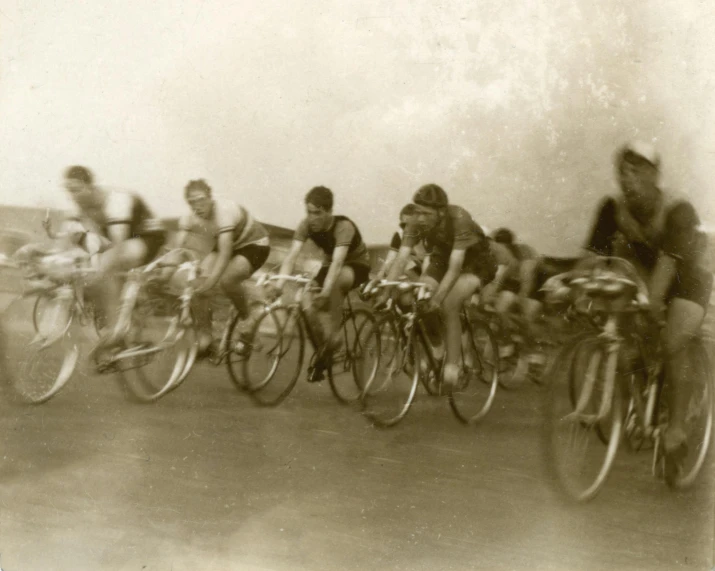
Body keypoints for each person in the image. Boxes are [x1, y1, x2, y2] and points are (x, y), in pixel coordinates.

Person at [584, 140, 712, 482]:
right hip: (648, 271)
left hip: (690, 278)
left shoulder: (677, 210)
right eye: (622, 171)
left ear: (655, 175)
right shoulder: (612, 208)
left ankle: (676, 429)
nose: (627, 179)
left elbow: (668, 270)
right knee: (626, 328)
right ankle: (643, 392)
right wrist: (582, 291)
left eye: (636, 171)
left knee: (672, 342)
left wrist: (649, 305)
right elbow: (594, 260)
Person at [385, 184, 497, 391]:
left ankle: (453, 365)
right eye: (417, 212)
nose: (420, 218)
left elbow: (455, 268)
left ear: (442, 211)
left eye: (426, 214)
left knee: (448, 301)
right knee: (422, 297)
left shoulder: (460, 218)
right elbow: (401, 258)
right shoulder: (415, 222)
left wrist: (438, 299)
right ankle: (437, 348)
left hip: (476, 263)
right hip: (442, 258)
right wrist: (385, 293)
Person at [56, 166, 167, 347]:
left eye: (76, 189)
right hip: (120, 238)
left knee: (105, 266)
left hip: (147, 237)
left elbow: (118, 246)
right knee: (90, 264)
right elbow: (65, 239)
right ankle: (125, 316)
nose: (73, 196)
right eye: (69, 191)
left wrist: (99, 271)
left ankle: (117, 330)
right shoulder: (78, 205)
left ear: (90, 187)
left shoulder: (116, 201)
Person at [271, 186, 371, 381]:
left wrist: (325, 292)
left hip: (356, 264)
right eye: (309, 212)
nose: (312, 217)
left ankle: (334, 339)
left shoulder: (344, 226)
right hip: (330, 264)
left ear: (329, 212)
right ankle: (325, 352)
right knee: (306, 301)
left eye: (317, 213)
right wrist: (279, 286)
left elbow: (338, 262)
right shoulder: (306, 225)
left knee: (335, 282)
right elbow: (291, 256)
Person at [174, 179, 270, 354]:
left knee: (227, 280)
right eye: (192, 202)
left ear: (211, 197)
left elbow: (225, 254)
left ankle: (247, 320)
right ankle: (206, 337)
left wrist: (210, 283)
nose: (197, 206)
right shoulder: (189, 217)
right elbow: (176, 249)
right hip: (230, 244)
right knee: (196, 283)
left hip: (254, 244)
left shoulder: (224, 210)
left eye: (201, 199)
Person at [372, 203, 425, 283]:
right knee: (392, 265)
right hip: (413, 266)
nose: (407, 227)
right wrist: (381, 273)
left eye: (409, 224)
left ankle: (419, 285)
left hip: (426, 265)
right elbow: (391, 257)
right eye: (404, 224)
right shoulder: (399, 233)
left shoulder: (424, 232)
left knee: (405, 263)